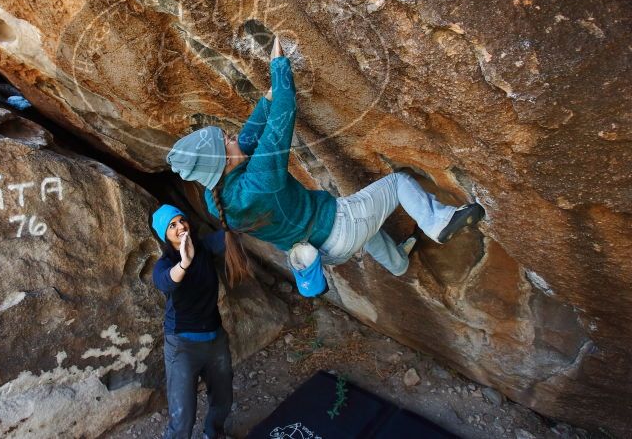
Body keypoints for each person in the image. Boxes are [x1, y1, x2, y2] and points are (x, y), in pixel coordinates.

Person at [165, 37, 485, 289]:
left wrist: (269, 96)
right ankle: (439, 223)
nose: (232, 136)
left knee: (365, 222)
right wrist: (279, 66)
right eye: (225, 140)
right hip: (340, 228)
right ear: (223, 160)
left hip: (325, 251)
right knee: (398, 184)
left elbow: (250, 135)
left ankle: (399, 264)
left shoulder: (216, 195)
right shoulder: (259, 182)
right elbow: (283, 117)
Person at [151, 204, 233, 439]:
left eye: (182, 220)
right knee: (182, 413)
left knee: (223, 396)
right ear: (164, 234)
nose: (180, 227)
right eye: (172, 225)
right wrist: (185, 261)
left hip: (215, 338)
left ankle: (214, 434)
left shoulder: (205, 247)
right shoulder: (164, 264)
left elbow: (233, 234)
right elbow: (166, 282)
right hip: (182, 344)